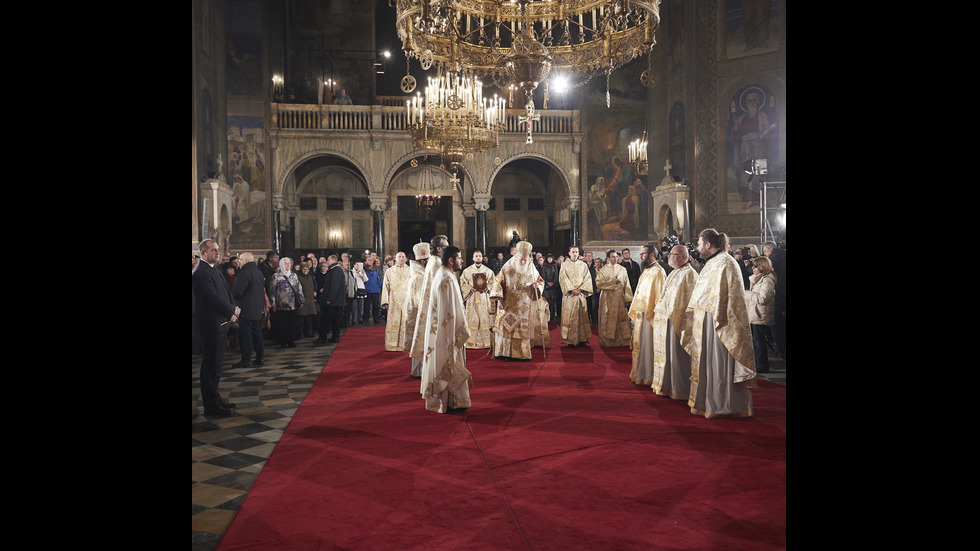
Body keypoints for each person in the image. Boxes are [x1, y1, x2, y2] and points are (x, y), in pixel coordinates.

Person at [685, 228, 756, 419]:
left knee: (719, 364)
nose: (698, 247)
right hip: (706, 322)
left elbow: (732, 299)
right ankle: (708, 402)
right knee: (708, 364)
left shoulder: (726, 263)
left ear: (708, 245)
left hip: (720, 324)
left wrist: (719, 319)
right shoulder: (712, 263)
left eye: (699, 243)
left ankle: (723, 405)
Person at [420, 246, 473, 413]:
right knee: (448, 360)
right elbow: (450, 313)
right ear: (451, 260)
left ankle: (447, 400)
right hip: (448, 333)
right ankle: (451, 401)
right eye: (459, 258)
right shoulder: (447, 279)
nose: (462, 261)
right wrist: (460, 331)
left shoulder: (442, 274)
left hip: (441, 332)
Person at [193, 239, 240, 416]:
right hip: (212, 324)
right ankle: (211, 407)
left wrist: (233, 309)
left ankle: (216, 399)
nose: (217, 252)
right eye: (213, 250)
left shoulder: (215, 270)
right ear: (203, 253)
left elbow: (227, 292)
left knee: (217, 365)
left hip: (221, 321)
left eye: (218, 249)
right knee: (211, 366)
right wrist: (231, 310)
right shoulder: (200, 273)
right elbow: (212, 297)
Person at [488, 240, 551, 361]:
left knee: (522, 330)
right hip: (508, 304)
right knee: (508, 328)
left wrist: (538, 287)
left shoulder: (531, 267)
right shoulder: (508, 267)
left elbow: (539, 281)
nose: (523, 261)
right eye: (521, 258)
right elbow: (497, 282)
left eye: (525, 259)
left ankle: (523, 354)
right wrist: (499, 301)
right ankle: (505, 353)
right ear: (517, 256)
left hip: (524, 305)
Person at [650, 245, 698, 400]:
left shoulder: (689, 273)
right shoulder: (675, 273)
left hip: (678, 322)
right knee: (668, 356)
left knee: (678, 356)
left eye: (670, 254)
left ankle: (680, 388)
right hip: (666, 321)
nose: (668, 256)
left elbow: (687, 300)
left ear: (680, 256)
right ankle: (668, 385)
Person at [627, 244, 667, 386]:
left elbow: (660, 296)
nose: (641, 256)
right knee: (640, 345)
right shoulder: (646, 271)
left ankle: (649, 375)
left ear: (651, 255)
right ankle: (640, 372)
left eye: (643, 254)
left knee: (648, 346)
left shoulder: (659, 272)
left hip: (650, 316)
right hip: (641, 315)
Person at [409, 235, 449, 373]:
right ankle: (425, 371)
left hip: (426, 308)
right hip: (429, 309)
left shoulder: (430, 265)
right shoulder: (433, 266)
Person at [231, 252, 266, 369]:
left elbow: (237, 291)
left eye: (240, 259)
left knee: (245, 335)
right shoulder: (258, 272)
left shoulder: (245, 273)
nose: (238, 262)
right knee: (257, 333)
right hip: (256, 309)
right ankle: (260, 357)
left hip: (245, 308)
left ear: (246, 261)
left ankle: (246, 360)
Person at [744, 255, 776, 374]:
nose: (753, 268)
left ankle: (761, 365)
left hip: (760, 315)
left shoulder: (767, 280)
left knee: (759, 342)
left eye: (755, 266)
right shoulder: (758, 279)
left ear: (762, 267)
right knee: (756, 341)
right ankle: (758, 364)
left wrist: (748, 294)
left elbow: (763, 299)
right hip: (755, 315)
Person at [595, 250, 633, 347]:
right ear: (608, 258)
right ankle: (608, 341)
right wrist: (612, 281)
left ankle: (622, 341)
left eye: (616, 256)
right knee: (607, 318)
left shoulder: (622, 269)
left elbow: (627, 285)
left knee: (621, 319)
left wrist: (628, 299)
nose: (615, 258)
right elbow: (599, 283)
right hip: (607, 298)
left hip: (620, 297)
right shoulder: (603, 270)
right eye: (612, 257)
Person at [558, 245, 593, 347]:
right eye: (573, 252)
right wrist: (571, 289)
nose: (575, 254)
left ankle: (582, 339)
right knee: (570, 317)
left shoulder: (583, 265)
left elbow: (587, 278)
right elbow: (563, 278)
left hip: (581, 295)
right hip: (569, 296)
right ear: (569, 253)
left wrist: (580, 289)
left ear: (579, 253)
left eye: (576, 252)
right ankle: (570, 340)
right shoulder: (564, 265)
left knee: (582, 316)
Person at [458, 249, 495, 349]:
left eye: (480, 256)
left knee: (484, 318)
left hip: (483, 297)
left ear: (482, 258)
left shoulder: (488, 271)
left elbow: (493, 283)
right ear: (473, 258)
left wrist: (488, 288)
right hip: (472, 298)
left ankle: (486, 342)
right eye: (476, 256)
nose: (478, 257)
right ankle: (471, 342)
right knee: (472, 318)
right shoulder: (467, 271)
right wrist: (470, 289)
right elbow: (463, 284)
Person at [404, 242, 430, 377]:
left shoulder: (417, 274)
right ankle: (420, 371)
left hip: (418, 312)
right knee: (422, 340)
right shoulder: (419, 277)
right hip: (421, 313)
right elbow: (421, 299)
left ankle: (419, 370)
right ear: (424, 261)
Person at [267, 256, 304, 348]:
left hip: (293, 304)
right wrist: (273, 303)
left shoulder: (294, 275)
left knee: (292, 323)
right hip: (281, 305)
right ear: (282, 265)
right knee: (283, 324)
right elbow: (272, 291)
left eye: (289, 263)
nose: (288, 265)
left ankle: (291, 341)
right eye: (285, 263)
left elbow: (299, 288)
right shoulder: (276, 276)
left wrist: (301, 300)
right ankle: (283, 342)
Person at [380, 251, 412, 351]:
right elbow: (385, 287)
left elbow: (415, 287)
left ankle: (405, 344)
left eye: (403, 257)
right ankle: (392, 345)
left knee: (405, 323)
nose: (401, 258)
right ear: (395, 259)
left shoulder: (411, 271)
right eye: (399, 257)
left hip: (407, 301)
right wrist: (385, 301)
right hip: (393, 301)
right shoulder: (389, 271)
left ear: (406, 259)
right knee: (393, 323)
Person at [762, 241, 786, 359]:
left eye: (766, 251)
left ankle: (781, 351)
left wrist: (749, 267)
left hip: (780, 295)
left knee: (778, 325)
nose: (765, 255)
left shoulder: (774, 259)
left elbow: (764, 271)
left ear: (771, 248)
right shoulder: (783, 254)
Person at [319, 254, 346, 344]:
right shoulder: (334, 270)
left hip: (332, 301)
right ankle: (334, 336)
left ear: (333, 260)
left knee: (326, 319)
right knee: (334, 320)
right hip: (335, 301)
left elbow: (335, 286)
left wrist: (330, 298)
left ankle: (324, 337)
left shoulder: (336, 270)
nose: (327, 261)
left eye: (328, 260)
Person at [296, 261, 318, 339]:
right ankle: (300, 333)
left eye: (307, 269)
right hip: (303, 300)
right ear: (301, 269)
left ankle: (309, 332)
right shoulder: (297, 277)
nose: (306, 271)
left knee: (309, 317)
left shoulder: (309, 276)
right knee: (301, 318)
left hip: (310, 300)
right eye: (304, 269)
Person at [362, 253, 383, 323]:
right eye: (368, 260)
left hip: (375, 290)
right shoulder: (364, 269)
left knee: (376, 306)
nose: (370, 261)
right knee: (366, 306)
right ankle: (366, 318)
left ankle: (376, 318)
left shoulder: (377, 268)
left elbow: (381, 278)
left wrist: (378, 285)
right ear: (366, 261)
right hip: (367, 290)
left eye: (371, 260)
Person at [540, 253, 561, 321]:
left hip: (553, 286)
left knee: (553, 302)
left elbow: (556, 275)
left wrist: (553, 282)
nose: (550, 260)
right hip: (546, 287)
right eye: (548, 258)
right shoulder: (544, 266)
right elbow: (543, 275)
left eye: (551, 258)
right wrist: (547, 282)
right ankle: (547, 316)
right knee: (547, 301)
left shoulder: (554, 266)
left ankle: (553, 316)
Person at [351, 260, 368, 324]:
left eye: (359, 264)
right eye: (357, 264)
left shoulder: (362, 271)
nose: (358, 266)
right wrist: (356, 272)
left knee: (361, 305)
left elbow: (366, 280)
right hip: (355, 290)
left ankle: (360, 318)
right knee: (354, 306)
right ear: (354, 265)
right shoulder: (352, 271)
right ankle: (354, 319)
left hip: (361, 289)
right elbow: (353, 277)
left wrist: (363, 273)